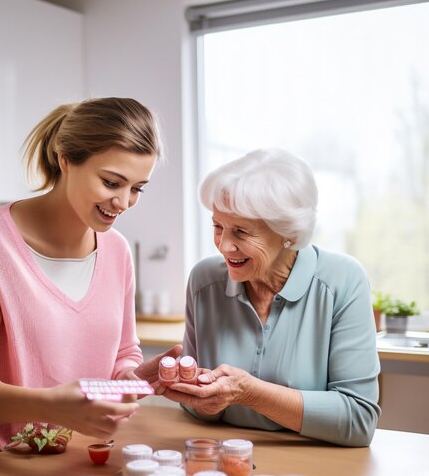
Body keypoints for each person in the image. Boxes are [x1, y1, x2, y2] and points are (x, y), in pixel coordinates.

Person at [0, 97, 181, 475]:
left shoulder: (118, 250)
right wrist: (49, 406)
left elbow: (121, 356)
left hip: (62, 462)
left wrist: (138, 379)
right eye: (111, 182)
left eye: (138, 188)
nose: (123, 202)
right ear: (65, 159)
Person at [162, 148, 380, 447]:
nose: (224, 246)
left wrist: (250, 393)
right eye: (218, 227)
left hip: (313, 469)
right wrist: (202, 401)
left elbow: (358, 420)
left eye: (241, 231)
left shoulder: (343, 281)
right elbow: (197, 406)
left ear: (287, 232)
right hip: (225, 460)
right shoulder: (204, 281)